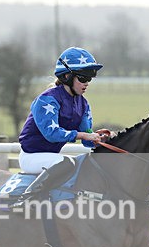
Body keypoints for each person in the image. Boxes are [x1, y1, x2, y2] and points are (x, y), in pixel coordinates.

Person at [13, 47, 111, 205]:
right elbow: (51, 133)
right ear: (67, 76)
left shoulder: (83, 104)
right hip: (31, 155)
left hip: (51, 158)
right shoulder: (47, 100)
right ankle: (27, 198)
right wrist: (82, 135)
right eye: (82, 78)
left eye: (89, 79)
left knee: (83, 163)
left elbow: (86, 139)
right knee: (66, 162)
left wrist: (99, 138)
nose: (86, 83)